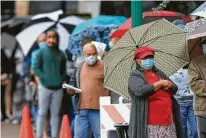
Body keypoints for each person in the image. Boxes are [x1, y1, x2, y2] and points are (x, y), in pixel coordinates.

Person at [128, 46, 183, 138]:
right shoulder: (135, 75)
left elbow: (175, 88)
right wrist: (160, 84)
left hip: (168, 121)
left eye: (151, 57)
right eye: (145, 58)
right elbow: (139, 91)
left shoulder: (159, 73)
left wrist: (170, 85)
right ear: (138, 61)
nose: (149, 60)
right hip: (151, 124)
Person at [68, 43, 109, 138]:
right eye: (88, 54)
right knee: (79, 136)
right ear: (83, 55)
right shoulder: (79, 67)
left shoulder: (105, 66)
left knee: (100, 135)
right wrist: (70, 90)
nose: (91, 56)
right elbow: (72, 81)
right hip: (82, 109)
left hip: (98, 109)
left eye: (93, 53)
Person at [33, 30, 66, 138]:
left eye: (54, 38)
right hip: (44, 87)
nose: (51, 40)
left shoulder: (61, 54)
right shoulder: (40, 52)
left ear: (57, 40)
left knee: (55, 115)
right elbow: (36, 68)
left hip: (58, 89)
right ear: (47, 39)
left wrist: (60, 80)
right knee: (42, 113)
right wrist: (43, 77)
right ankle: (39, 136)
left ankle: (54, 135)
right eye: (49, 37)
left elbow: (63, 71)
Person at [170, 65, 197, 138]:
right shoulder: (191, 71)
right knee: (190, 126)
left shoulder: (171, 73)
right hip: (186, 102)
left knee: (185, 127)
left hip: (185, 102)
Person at [188, 37, 206, 138]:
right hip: (202, 108)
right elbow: (195, 84)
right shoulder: (195, 63)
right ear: (202, 46)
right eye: (204, 44)